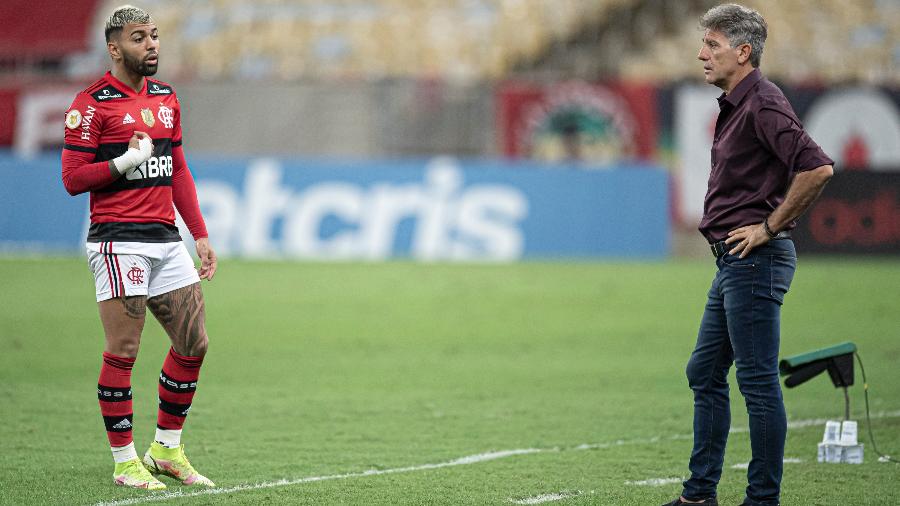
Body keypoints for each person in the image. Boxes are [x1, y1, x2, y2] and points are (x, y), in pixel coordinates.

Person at [664, 4, 834, 506]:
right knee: (705, 372)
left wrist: (768, 226)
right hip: (733, 263)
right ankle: (700, 496)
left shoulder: (762, 102)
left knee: (757, 382)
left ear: (743, 52)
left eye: (712, 45)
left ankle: (761, 500)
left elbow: (817, 168)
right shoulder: (740, 103)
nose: (701, 55)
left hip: (754, 260)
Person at [61, 5, 217, 490]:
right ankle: (125, 462)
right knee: (123, 351)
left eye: (153, 36)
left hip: (166, 240)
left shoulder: (167, 97)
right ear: (114, 48)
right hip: (118, 242)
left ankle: (166, 449)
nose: (151, 45)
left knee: (194, 343)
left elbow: (179, 168)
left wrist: (200, 233)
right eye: (138, 38)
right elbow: (72, 179)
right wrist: (126, 161)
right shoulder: (91, 105)